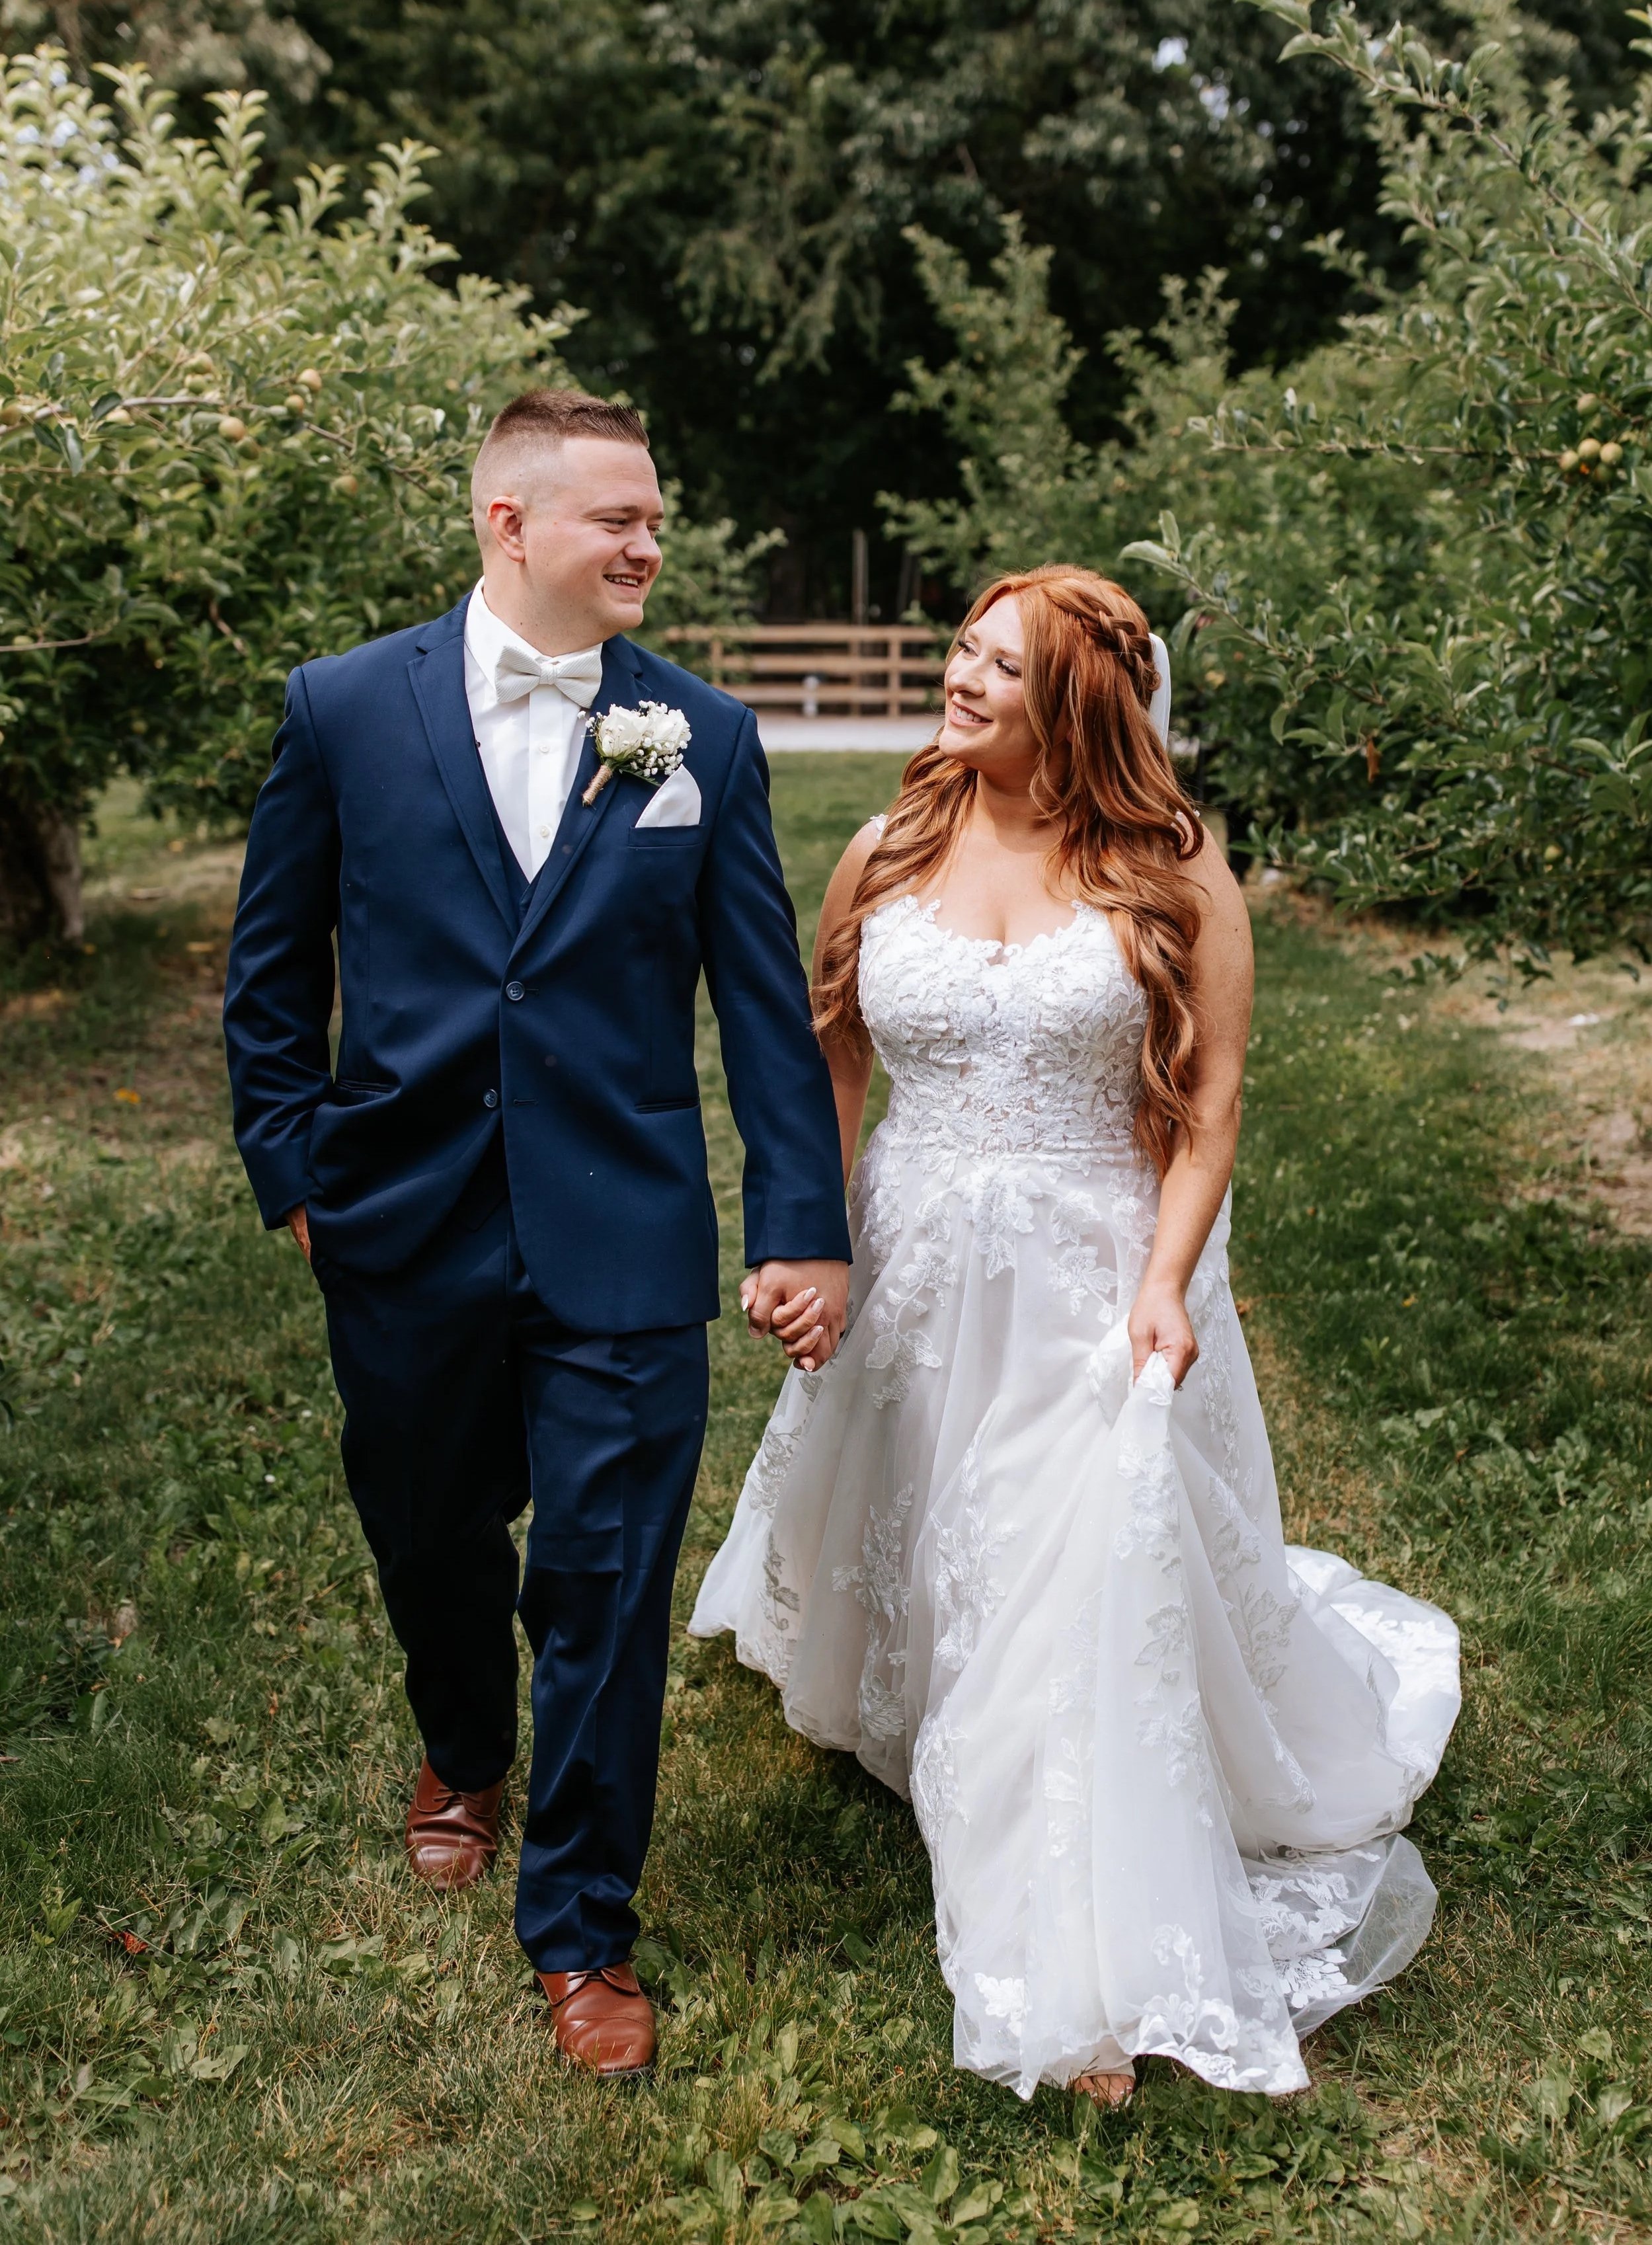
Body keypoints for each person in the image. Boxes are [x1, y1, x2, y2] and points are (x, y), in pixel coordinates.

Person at [691, 566, 1461, 2104]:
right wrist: (812, 1238)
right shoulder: (884, 844)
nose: (960, 682)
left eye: (1001, 669)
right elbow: (826, 1060)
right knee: (936, 1541)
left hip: (1086, 1278)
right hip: (910, 1256)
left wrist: (1165, 1284)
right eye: (961, 653)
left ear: (1081, 712)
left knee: (1057, 1589)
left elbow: (1208, 1100)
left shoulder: (1170, 875)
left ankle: (1069, 1968)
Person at [223, 388, 849, 2078]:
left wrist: (805, 1220)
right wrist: (294, 1170)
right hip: (400, 1223)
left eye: (657, 519)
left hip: (623, 1230)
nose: (652, 544)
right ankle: (457, 1741)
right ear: (510, 525)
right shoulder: (346, 709)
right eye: (618, 520)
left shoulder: (696, 738)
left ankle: (580, 1924)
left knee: (604, 1580)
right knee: (431, 1537)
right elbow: (273, 970)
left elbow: (762, 1010)